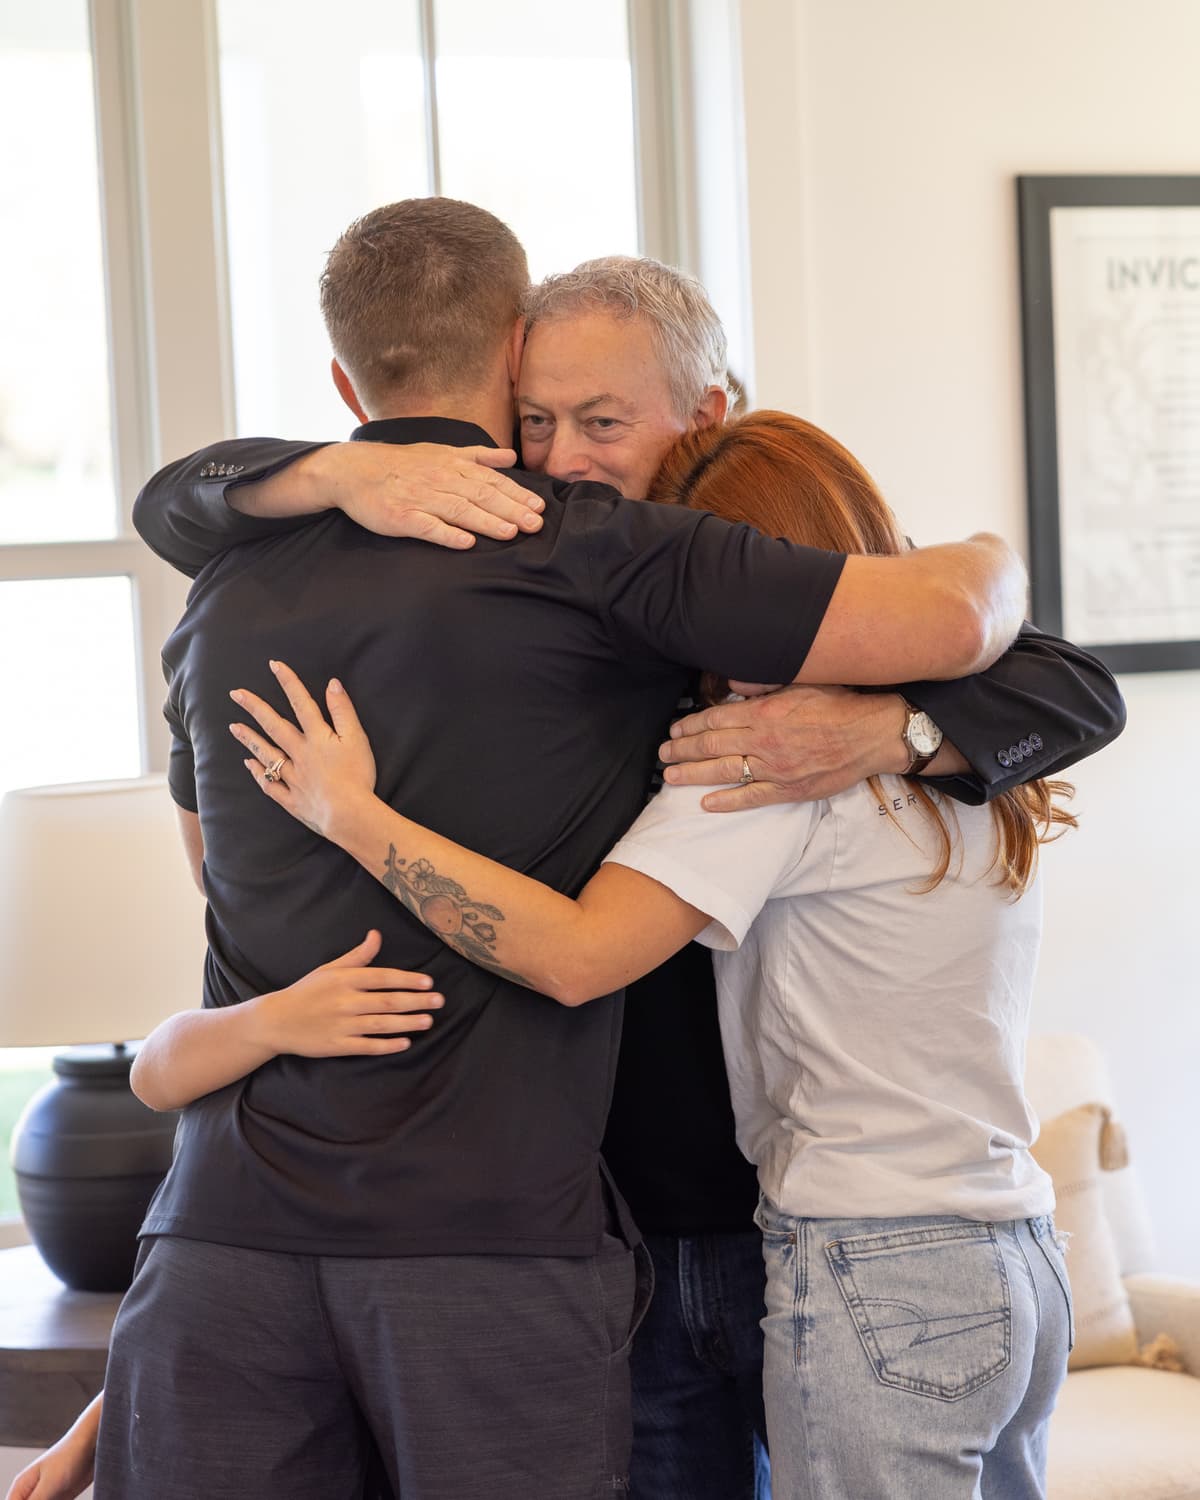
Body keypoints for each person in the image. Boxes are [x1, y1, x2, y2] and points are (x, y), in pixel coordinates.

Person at [9, 237, 1119, 1500]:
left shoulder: (696, 613)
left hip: (780, 1239)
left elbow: (1057, 671)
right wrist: (130, 1393)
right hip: (619, 1235)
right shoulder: (582, 595)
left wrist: (902, 725)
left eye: (602, 419)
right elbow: (265, 1034)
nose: (562, 456)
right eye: (536, 419)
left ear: (705, 415)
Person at [221, 408, 1076, 1499]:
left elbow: (574, 956)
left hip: (874, 1262)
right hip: (1017, 1250)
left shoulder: (770, 759)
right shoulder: (969, 760)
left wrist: (353, 815)